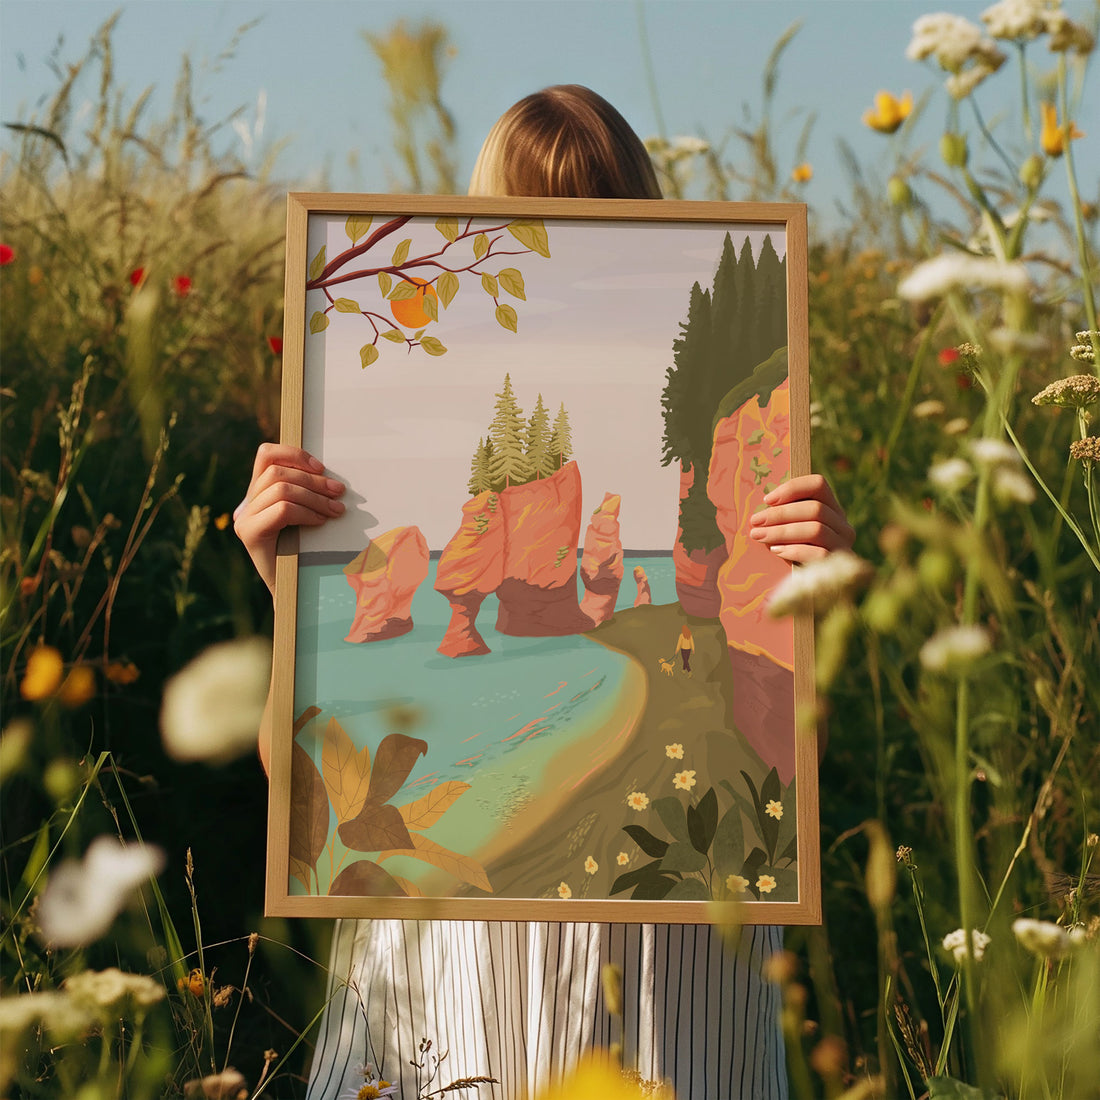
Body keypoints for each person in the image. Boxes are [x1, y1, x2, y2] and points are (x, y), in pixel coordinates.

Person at [236, 85, 854, 1100]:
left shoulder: (751, 435)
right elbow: (300, 791)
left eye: (603, 217)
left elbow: (789, 775)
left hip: (663, 966)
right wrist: (287, 594)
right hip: (450, 960)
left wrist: (801, 606)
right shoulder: (359, 417)